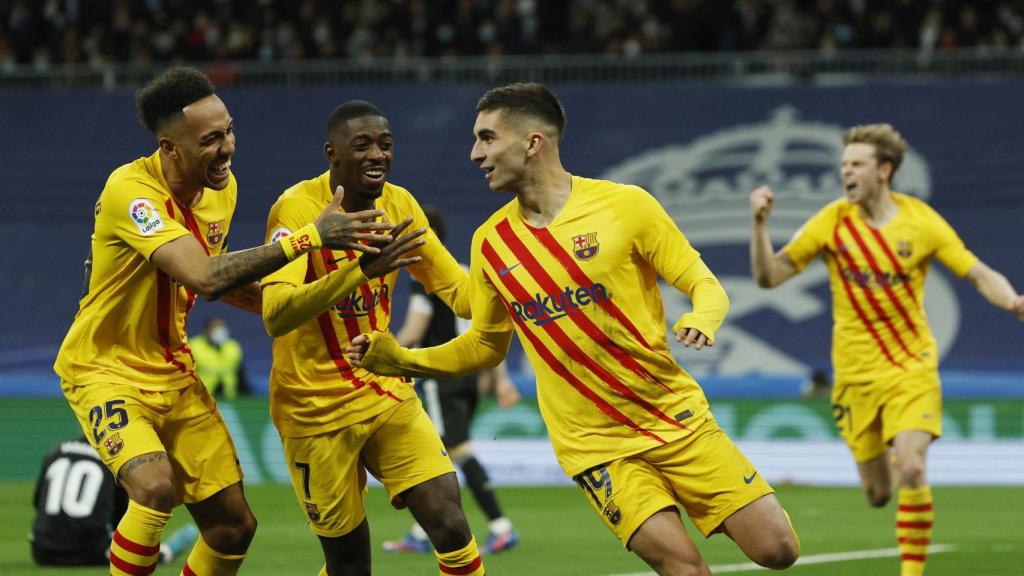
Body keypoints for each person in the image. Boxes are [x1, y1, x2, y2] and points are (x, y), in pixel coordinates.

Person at [347, 83, 800, 575]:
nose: (475, 153)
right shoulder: (491, 244)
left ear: (533, 143)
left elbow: (704, 283)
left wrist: (701, 316)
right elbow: (483, 346)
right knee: (684, 568)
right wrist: (400, 360)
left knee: (778, 550)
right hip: (595, 448)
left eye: (487, 138)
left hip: (677, 420)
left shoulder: (626, 206)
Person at [53, 67, 395, 576]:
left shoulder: (222, 191)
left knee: (233, 528)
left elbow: (219, 276)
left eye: (229, 130)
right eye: (210, 139)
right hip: (105, 370)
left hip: (174, 370)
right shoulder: (133, 193)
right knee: (153, 489)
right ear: (170, 148)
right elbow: (206, 277)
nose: (227, 147)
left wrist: (297, 305)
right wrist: (307, 238)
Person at [748, 123, 1024, 576]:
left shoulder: (922, 222)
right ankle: (895, 459)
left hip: (912, 367)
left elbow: (977, 273)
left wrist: (1012, 300)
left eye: (856, 164)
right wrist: (759, 226)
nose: (846, 172)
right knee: (878, 494)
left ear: (885, 170)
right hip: (855, 377)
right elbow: (770, 276)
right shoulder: (831, 222)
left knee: (913, 469)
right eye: (843, 165)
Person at [260, 100, 486, 576]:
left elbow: (460, 294)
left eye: (385, 144)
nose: (376, 154)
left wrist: (514, 278)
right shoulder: (299, 209)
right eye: (361, 145)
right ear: (332, 153)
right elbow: (276, 315)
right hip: (312, 408)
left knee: (449, 522)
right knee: (350, 564)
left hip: (383, 390)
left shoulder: (401, 205)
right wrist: (362, 270)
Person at [384, 205, 521, 555]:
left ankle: (500, 526)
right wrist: (500, 378)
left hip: (440, 376)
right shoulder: (462, 271)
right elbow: (489, 329)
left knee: (452, 450)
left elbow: (415, 330)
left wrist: (383, 354)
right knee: (441, 452)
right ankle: (420, 533)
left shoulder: (423, 279)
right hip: (472, 376)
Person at [30, 435, 198, 566]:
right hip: (90, 550)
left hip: (42, 550)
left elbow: (38, 502)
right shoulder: (113, 461)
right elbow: (122, 517)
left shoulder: (55, 452)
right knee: (134, 557)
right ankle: (167, 551)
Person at [191, 316, 250, 399]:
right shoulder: (193, 346)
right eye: (215, 327)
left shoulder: (232, 347)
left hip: (229, 398)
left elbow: (241, 376)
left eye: (221, 327)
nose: (219, 330)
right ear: (206, 330)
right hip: (201, 397)